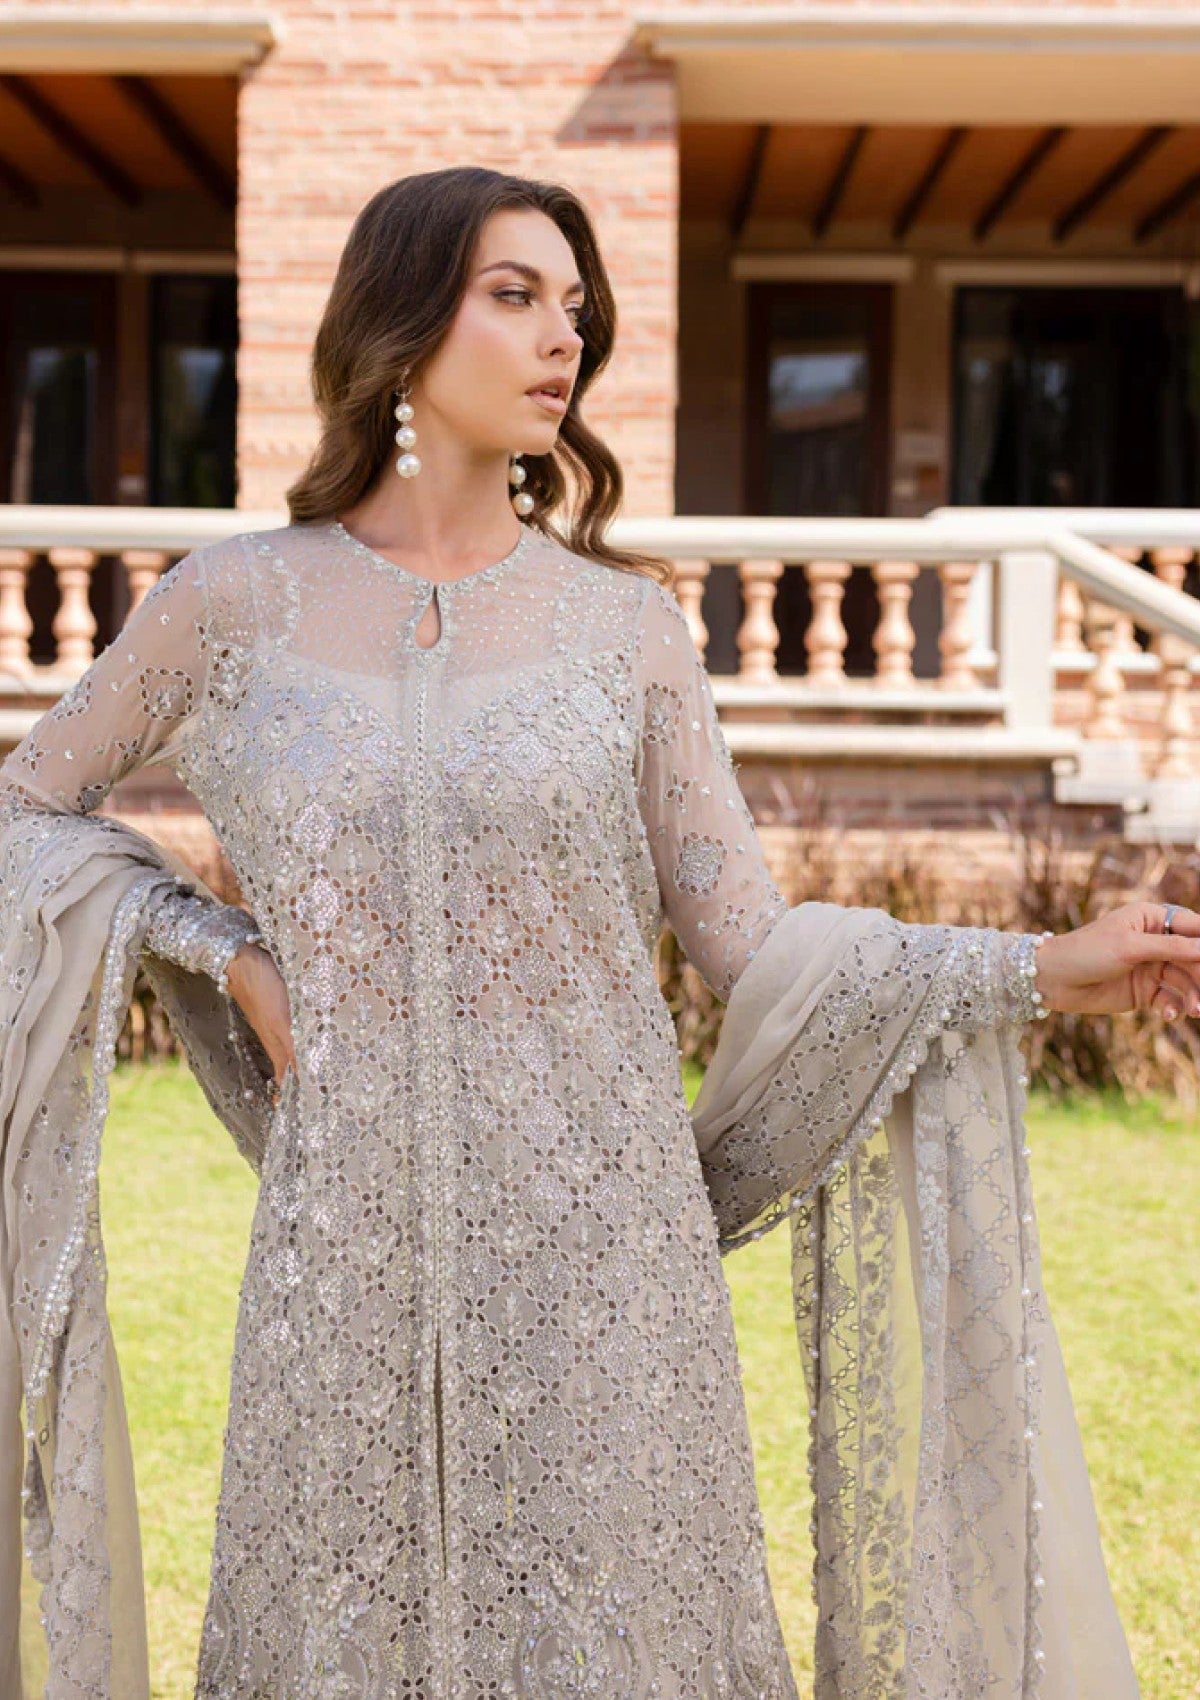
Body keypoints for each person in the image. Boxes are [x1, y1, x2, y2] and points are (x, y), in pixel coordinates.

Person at [0, 165, 1194, 1700]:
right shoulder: (233, 607)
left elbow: (749, 942)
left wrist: (1034, 969)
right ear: (401, 321)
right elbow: (25, 813)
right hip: (343, 1258)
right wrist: (223, 951)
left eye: (576, 308)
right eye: (514, 296)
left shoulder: (623, 631)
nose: (564, 337)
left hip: (610, 1264)